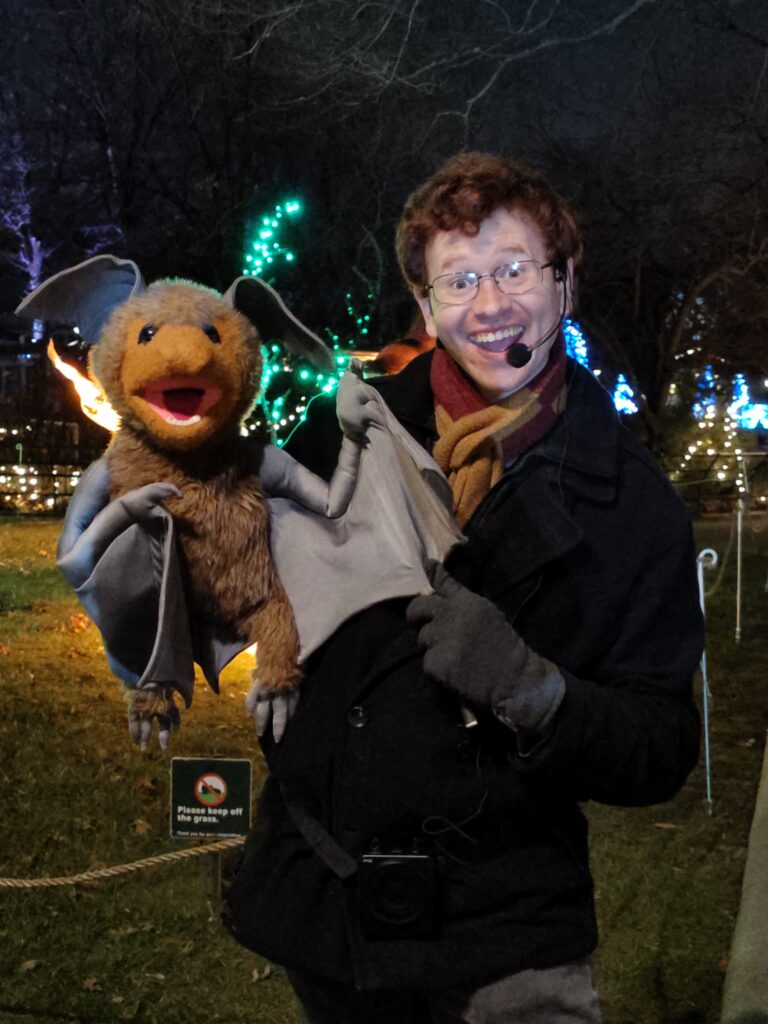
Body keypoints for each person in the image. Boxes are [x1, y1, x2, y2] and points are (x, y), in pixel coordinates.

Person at [221, 152, 704, 1023]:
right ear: (426, 306)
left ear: (563, 283)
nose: (489, 305)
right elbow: (260, 590)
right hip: (332, 913)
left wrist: (535, 692)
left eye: (515, 269)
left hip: (507, 934)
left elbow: (661, 746)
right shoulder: (339, 433)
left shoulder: (635, 505)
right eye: (459, 279)